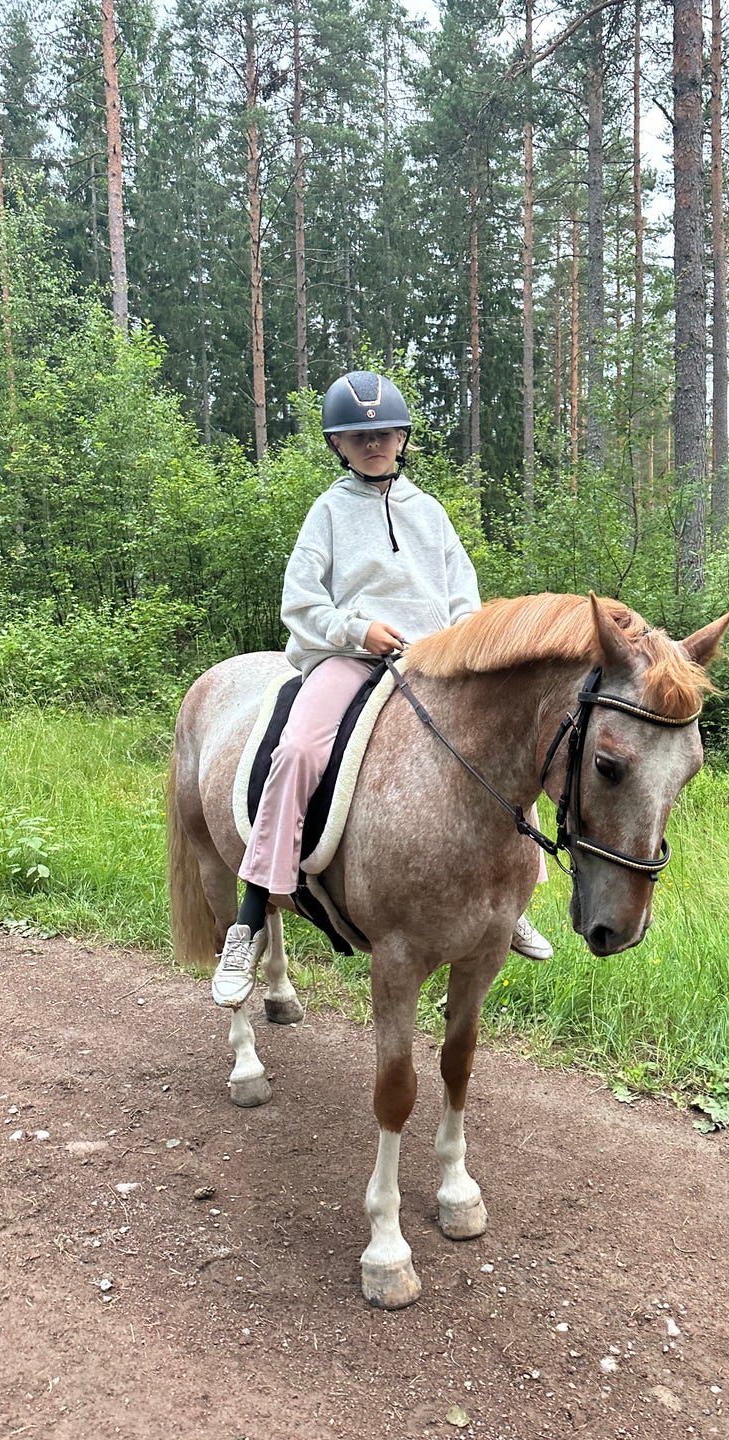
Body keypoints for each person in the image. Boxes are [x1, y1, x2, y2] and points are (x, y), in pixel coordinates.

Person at [212, 370, 552, 1008]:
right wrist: (357, 628)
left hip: (432, 663)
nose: (374, 442)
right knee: (298, 753)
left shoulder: (430, 514)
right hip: (350, 659)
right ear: (339, 444)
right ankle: (251, 917)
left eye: (384, 431)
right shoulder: (329, 512)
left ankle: (514, 901)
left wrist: (462, 647)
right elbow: (301, 601)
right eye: (358, 434)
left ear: (402, 436)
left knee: (504, 752)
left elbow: (464, 603)